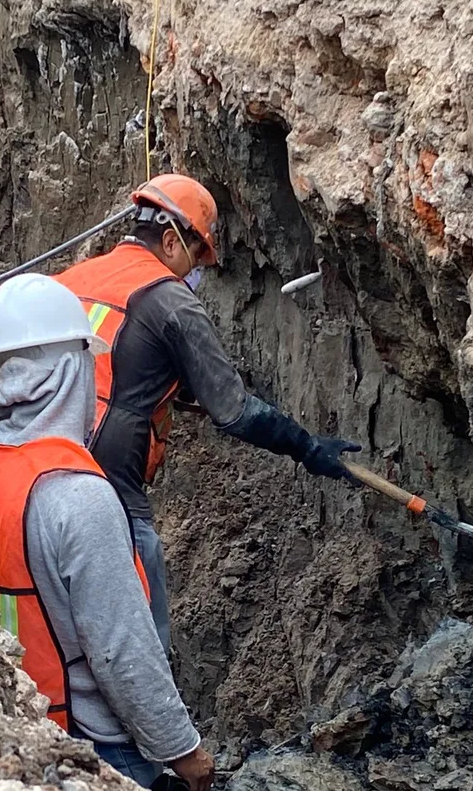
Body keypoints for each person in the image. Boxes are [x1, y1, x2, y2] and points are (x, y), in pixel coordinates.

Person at [54, 174, 362, 650]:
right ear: (173, 241)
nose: (196, 271)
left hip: (42, 470)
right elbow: (234, 413)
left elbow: (110, 363)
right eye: (198, 258)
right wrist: (307, 447)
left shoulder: (71, 279)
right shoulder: (171, 300)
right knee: (140, 639)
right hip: (108, 492)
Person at [0, 272, 215, 791]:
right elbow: (122, 651)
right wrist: (185, 752)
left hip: (26, 725)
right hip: (98, 742)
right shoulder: (77, 496)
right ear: (72, 371)